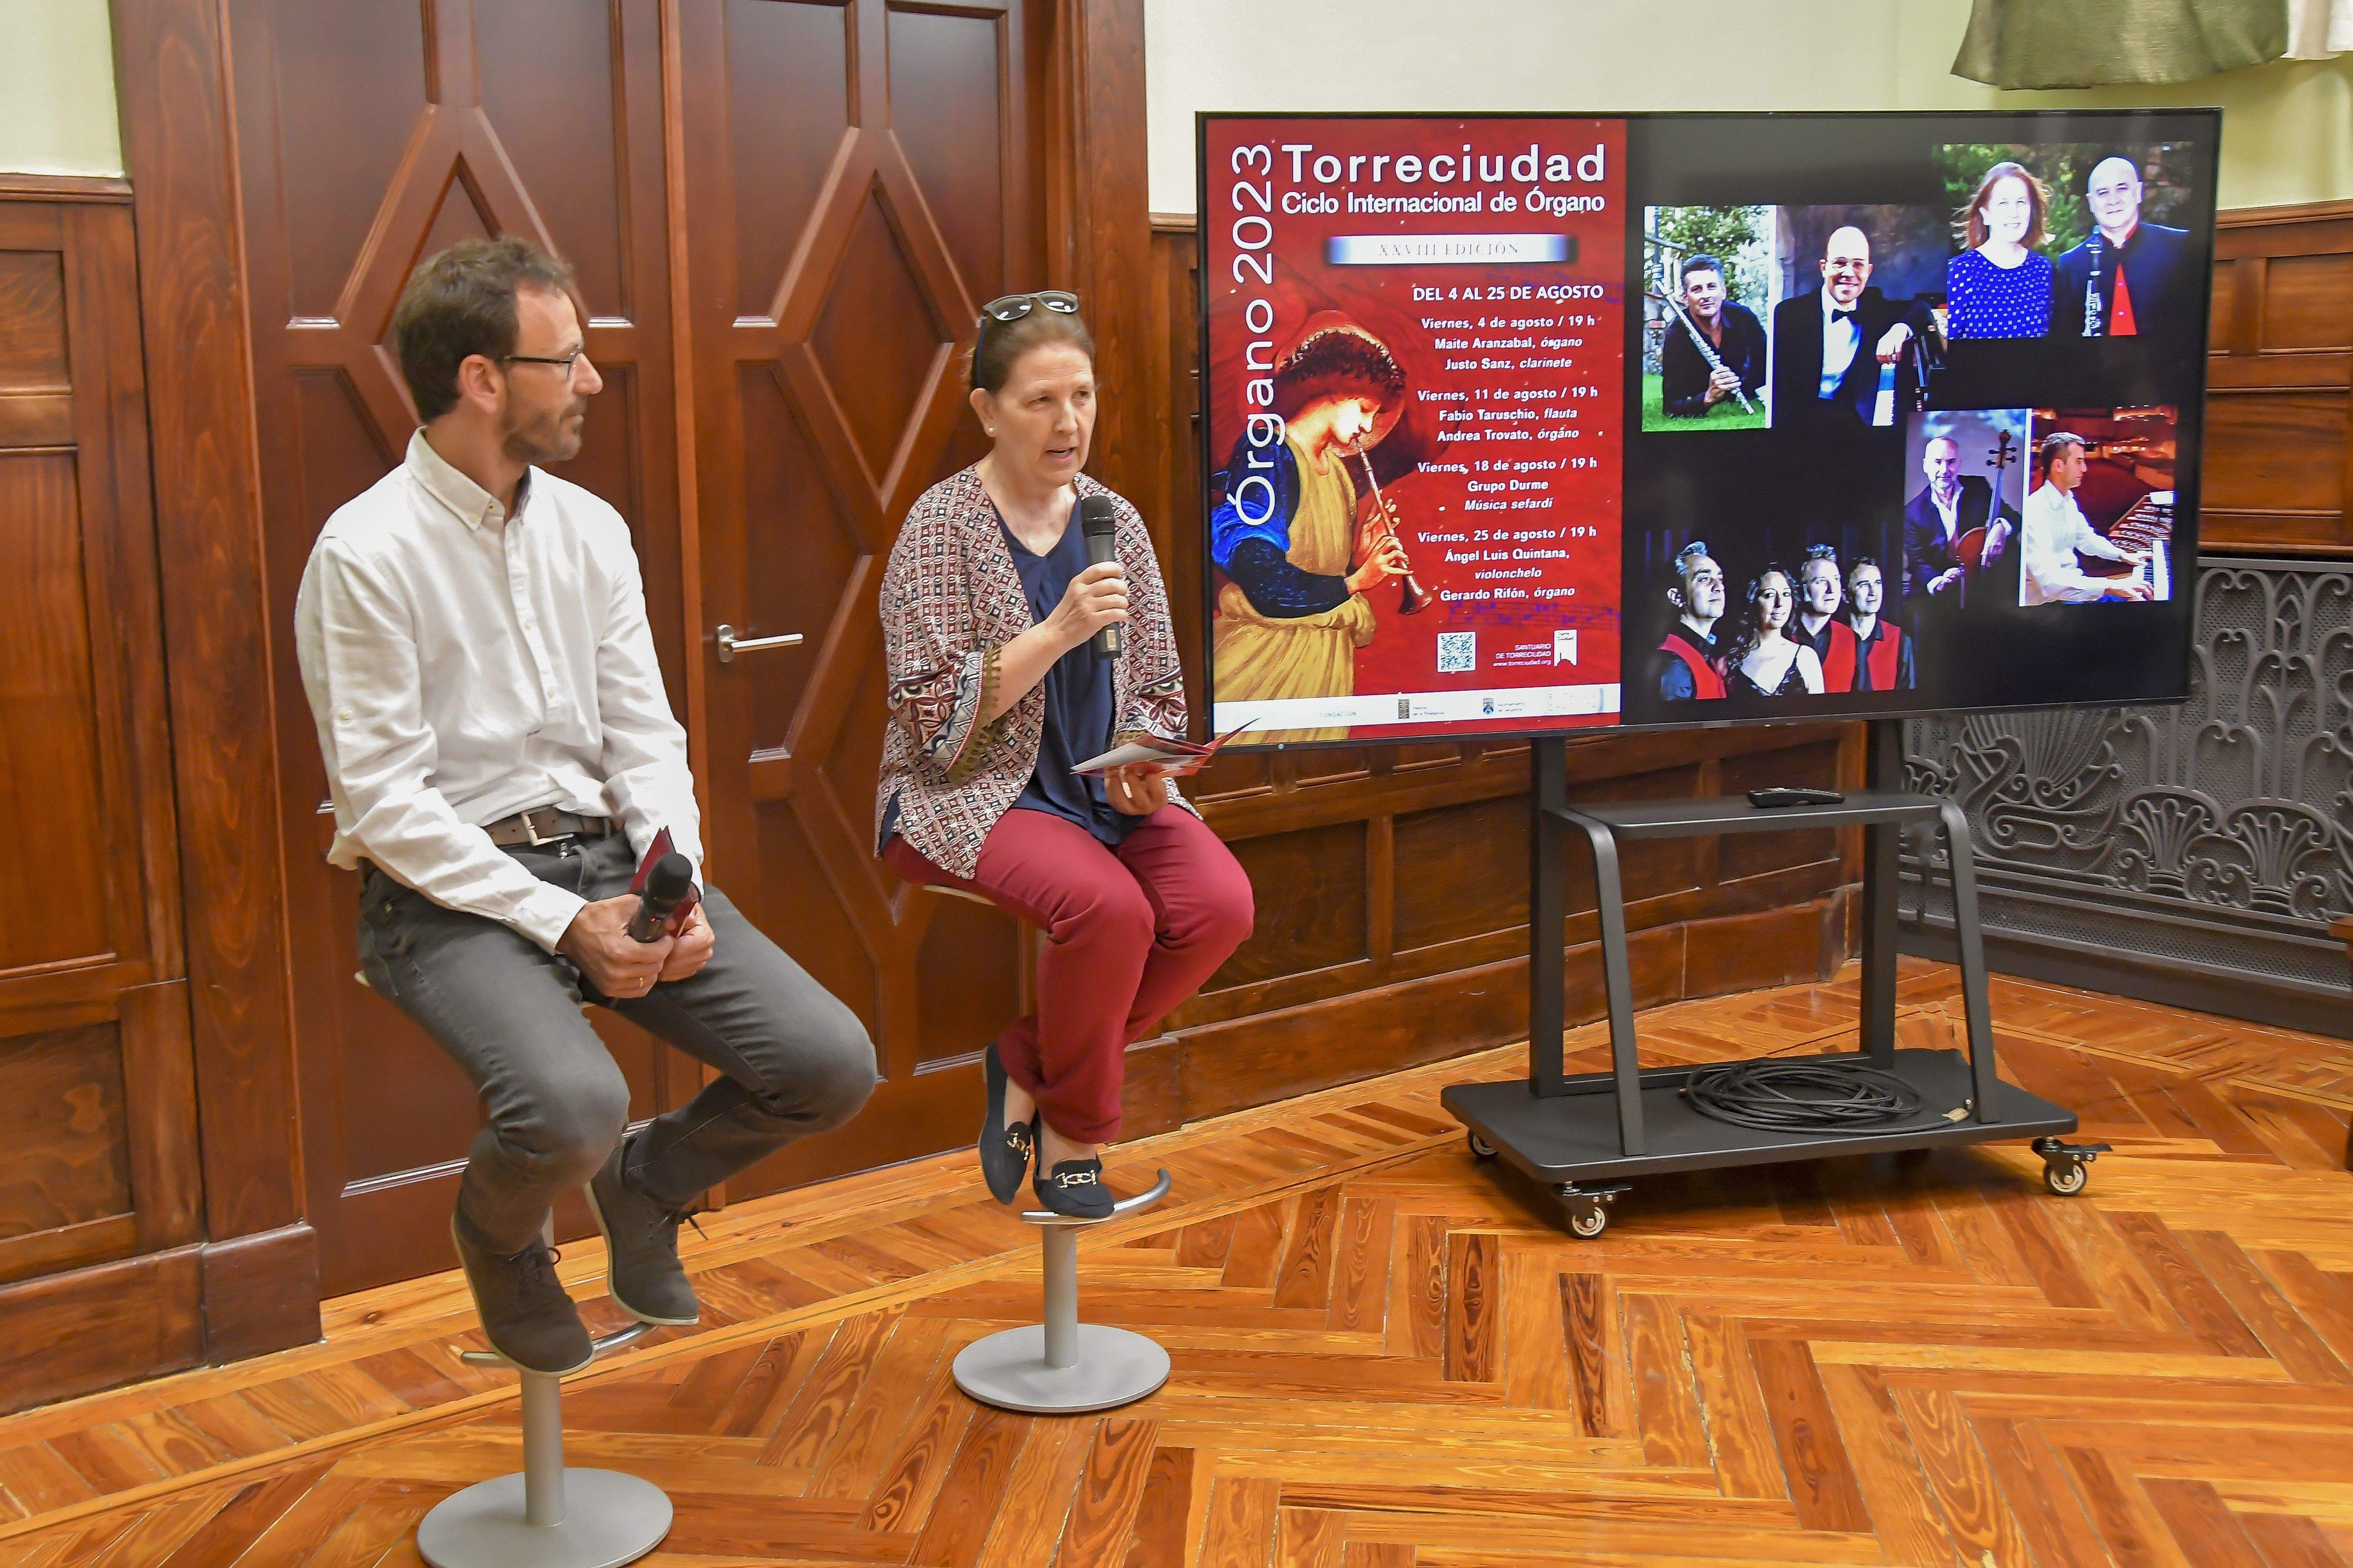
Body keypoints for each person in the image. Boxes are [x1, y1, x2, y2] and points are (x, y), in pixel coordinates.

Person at [294, 238, 876, 1375]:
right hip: (441, 893)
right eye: (567, 360)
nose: (593, 382)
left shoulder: (591, 528)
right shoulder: (363, 553)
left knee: (830, 1062)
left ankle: (647, 1182)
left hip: (611, 858)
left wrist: (676, 877)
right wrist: (565, 923)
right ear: (481, 377)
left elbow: (643, 732)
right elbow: (386, 803)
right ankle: (502, 1244)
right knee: (571, 1103)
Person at [876, 292, 1254, 1221]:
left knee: (1218, 908)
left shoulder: (1112, 519)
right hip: (969, 796)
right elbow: (933, 728)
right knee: (1108, 912)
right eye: (1041, 401)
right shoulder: (939, 526)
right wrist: (1052, 632)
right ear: (987, 410)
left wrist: (1151, 765)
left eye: (1081, 396)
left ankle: (1027, 1061)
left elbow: (1159, 681)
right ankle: (1074, 1136)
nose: (1068, 422)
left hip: (1103, 793)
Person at [1207, 316, 1413, 740]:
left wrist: (1359, 555)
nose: (1368, 428)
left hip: (1324, 670)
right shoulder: (1268, 453)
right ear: (1337, 390)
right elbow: (1264, 580)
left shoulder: (1338, 472)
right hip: (1263, 670)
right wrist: (1356, 581)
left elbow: (1316, 564)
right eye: (1365, 410)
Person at [1770, 225, 1933, 429]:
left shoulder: (1875, 306)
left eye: (1858, 265)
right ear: (1824, 268)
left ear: (1869, 271)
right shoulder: (1789, 314)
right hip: (1801, 423)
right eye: (1840, 263)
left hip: (1858, 423)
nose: (1849, 273)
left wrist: (1899, 330)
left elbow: (1922, 308)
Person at [2049, 156, 2197, 340]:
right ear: (2091, 202)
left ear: (2138, 192)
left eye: (2122, 189)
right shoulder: (2071, 263)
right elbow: (2066, 340)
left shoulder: (2179, 246)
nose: (2113, 201)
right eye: (2103, 193)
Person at [2020, 430, 2153, 604]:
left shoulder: (2067, 500)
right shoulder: (2034, 510)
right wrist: (2110, 586)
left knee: (2141, 595)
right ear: (2059, 466)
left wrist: (2123, 556)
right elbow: (2050, 584)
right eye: (2079, 462)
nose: (2085, 469)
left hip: (2070, 592)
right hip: (2049, 604)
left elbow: (2087, 540)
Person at [1900, 433, 2015, 605]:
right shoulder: (1912, 513)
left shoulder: (1979, 487)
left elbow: (2014, 517)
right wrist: (1938, 581)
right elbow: (1917, 561)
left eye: (1951, 462)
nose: (1945, 470)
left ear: (1959, 463)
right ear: (1925, 466)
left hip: (1980, 585)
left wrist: (2001, 527)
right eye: (1938, 462)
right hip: (1937, 598)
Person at [1945, 161, 2055, 339]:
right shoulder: (1961, 270)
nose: (2014, 213)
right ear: (1986, 214)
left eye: (2021, 202)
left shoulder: (2043, 269)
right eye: (2003, 204)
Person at [1659, 254, 1766, 418]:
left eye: (1712, 287)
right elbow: (1672, 406)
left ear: (1723, 292)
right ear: (1686, 299)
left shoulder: (1744, 318)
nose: (1705, 296)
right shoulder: (1677, 336)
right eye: (1697, 290)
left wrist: (1742, 386)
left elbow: (1766, 367)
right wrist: (1708, 398)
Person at [1721, 567, 1826, 697]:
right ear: (1753, 601)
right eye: (1770, 595)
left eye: (1786, 594)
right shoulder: (1728, 663)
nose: (1780, 603)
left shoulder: (1806, 658)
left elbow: (1820, 716)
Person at [1654, 540, 1726, 701]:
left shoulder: (1707, 654)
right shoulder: (1676, 665)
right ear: (1676, 597)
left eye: (1720, 579)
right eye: (1704, 579)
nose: (1719, 587)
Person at [1842, 558, 1915, 691]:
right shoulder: (1833, 637)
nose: (1873, 592)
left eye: (1877, 583)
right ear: (1845, 595)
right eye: (1864, 585)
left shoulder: (1900, 640)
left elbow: (1907, 700)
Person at [1795, 544, 1863, 686]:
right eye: (1820, 582)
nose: (1832, 590)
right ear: (1803, 589)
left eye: (1836, 580)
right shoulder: (1784, 635)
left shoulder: (1852, 639)